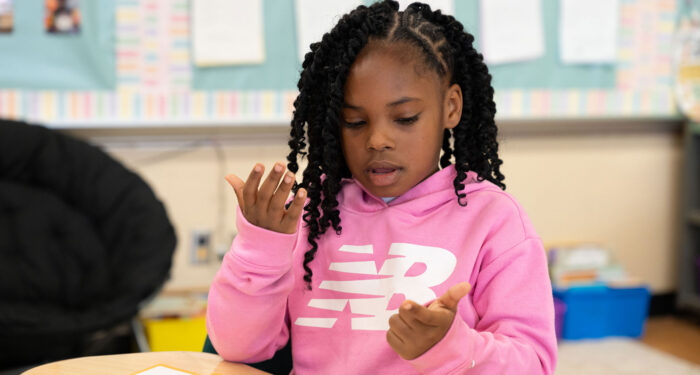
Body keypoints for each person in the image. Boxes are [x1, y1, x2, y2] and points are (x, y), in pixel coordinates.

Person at [206, 1, 557, 373]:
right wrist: (260, 250)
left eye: (405, 118)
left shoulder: (493, 219)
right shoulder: (309, 213)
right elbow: (236, 349)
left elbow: (532, 363)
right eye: (355, 122)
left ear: (451, 107)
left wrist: (451, 346)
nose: (377, 140)